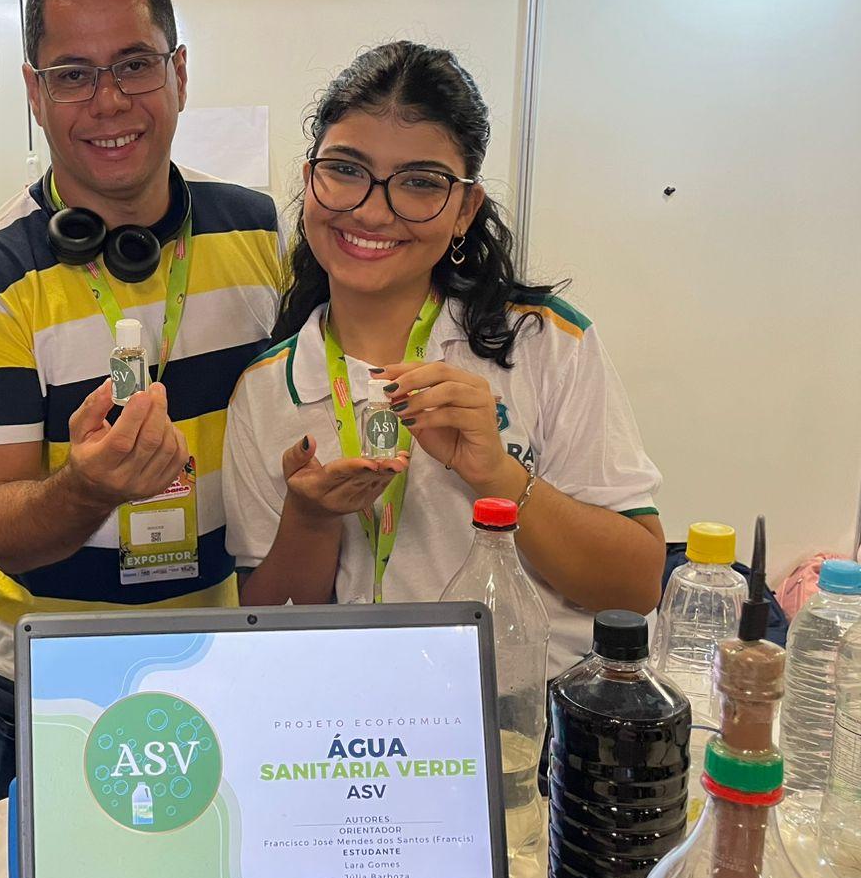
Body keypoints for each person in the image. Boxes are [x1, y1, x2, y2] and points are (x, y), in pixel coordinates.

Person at [0, 0, 282, 806]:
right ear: (35, 92)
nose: (110, 101)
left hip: (225, 655)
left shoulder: (260, 233)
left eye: (134, 64)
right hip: (59, 679)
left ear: (179, 72)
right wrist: (88, 489)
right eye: (73, 75)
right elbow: (4, 527)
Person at [222, 42, 664, 672]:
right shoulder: (267, 389)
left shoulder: (542, 344)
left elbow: (636, 586)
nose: (372, 210)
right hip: (359, 713)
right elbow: (265, 630)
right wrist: (311, 519)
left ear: (464, 210)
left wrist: (498, 476)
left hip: (528, 714)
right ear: (309, 179)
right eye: (345, 170)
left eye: (420, 183)